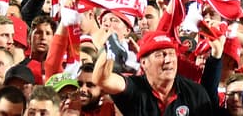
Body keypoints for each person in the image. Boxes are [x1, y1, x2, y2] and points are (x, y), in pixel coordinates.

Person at [88, 31, 224, 116]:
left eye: (171, 54)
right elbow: (101, 80)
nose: (168, 60)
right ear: (143, 63)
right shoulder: (134, 87)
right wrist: (109, 51)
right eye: (160, 55)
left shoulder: (195, 92)